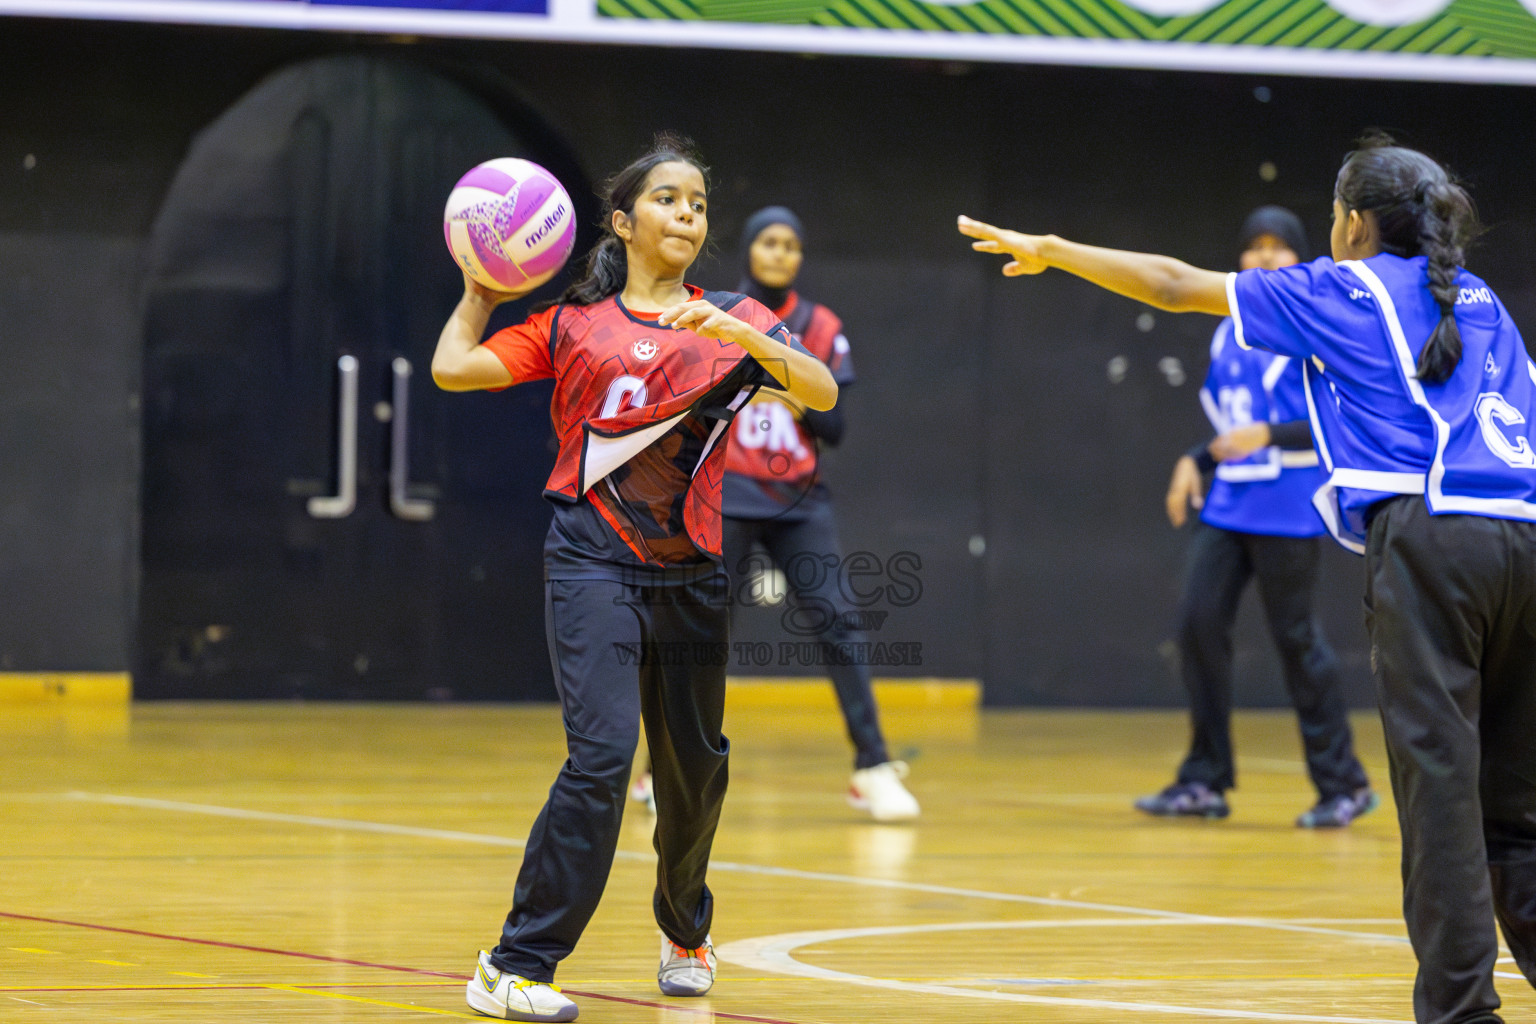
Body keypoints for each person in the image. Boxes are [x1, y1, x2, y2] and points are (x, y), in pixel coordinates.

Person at [959, 134, 1536, 1024]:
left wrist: (1056, 251)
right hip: (1526, 542)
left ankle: (1462, 1012)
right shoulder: (1485, 301)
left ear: (1350, 222)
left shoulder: (1341, 286)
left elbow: (1168, 282)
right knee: (1521, 805)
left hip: (1435, 542)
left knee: (1442, 795)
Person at [433, 133, 836, 1023]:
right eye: (666, 199)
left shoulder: (734, 320)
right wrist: (477, 292)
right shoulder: (575, 322)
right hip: (591, 556)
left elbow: (820, 392)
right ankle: (514, 963)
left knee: (695, 770)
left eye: (696, 203)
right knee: (604, 755)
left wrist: (739, 331)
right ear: (623, 220)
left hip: (690, 574)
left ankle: (685, 930)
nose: (686, 214)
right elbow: (453, 368)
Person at [630, 209, 919, 823]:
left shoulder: (820, 326)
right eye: (769, 241)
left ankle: (872, 766)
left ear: (800, 256)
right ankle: (664, 767)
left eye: (791, 244)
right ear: (751, 249)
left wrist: (780, 380)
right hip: (726, 494)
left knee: (840, 621)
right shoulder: (715, 313)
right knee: (702, 633)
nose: (780, 252)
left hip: (797, 503)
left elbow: (835, 425)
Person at [1136, 206, 1377, 829]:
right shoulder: (1226, 331)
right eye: (1254, 247)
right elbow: (1229, 431)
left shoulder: (1314, 326)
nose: (1265, 257)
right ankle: (1204, 779)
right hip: (1230, 504)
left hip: (1290, 504)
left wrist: (1267, 434)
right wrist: (1195, 458)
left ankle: (1343, 783)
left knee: (1298, 642)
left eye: (1279, 247)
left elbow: (1335, 421)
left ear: (1299, 258)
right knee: (1196, 626)